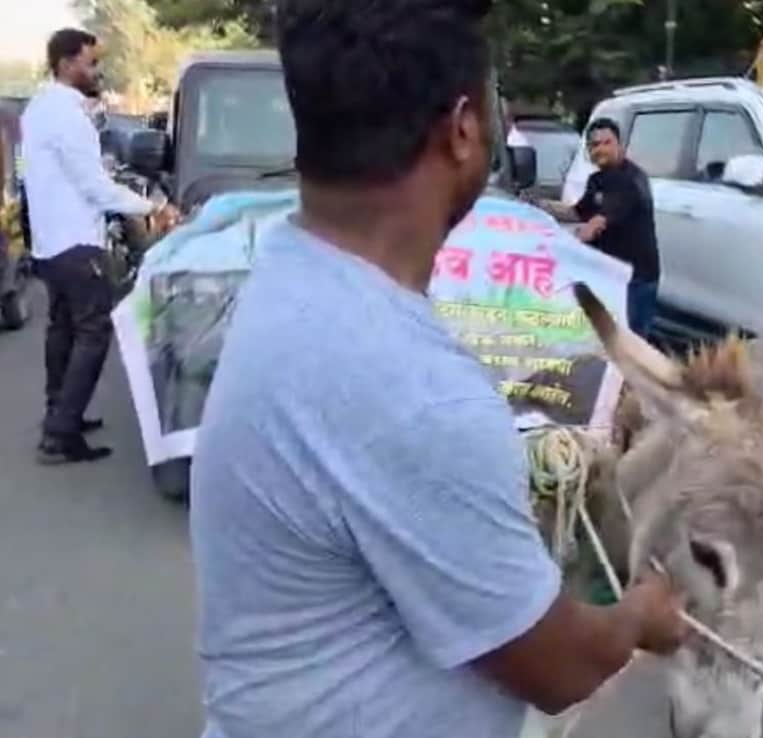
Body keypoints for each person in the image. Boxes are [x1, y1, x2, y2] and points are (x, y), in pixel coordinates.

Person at [188, 2, 687, 738]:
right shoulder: (412, 390)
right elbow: (560, 668)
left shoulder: (295, 271)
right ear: (461, 129)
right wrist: (642, 614)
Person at [20, 28, 177, 464]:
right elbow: (96, 188)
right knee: (93, 332)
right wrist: (154, 207)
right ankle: (60, 435)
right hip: (76, 241)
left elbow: (45, 172)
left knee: (63, 329)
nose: (97, 71)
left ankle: (60, 413)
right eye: (90, 63)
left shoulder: (38, 109)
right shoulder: (68, 116)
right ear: (66, 63)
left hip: (51, 242)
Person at [536, 119, 661, 339]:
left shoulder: (630, 180)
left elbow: (597, 223)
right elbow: (578, 212)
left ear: (620, 145)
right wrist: (539, 206)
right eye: (594, 145)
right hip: (611, 275)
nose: (600, 149)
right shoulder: (597, 179)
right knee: (607, 340)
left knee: (630, 344)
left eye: (606, 143)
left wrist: (566, 244)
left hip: (634, 280)